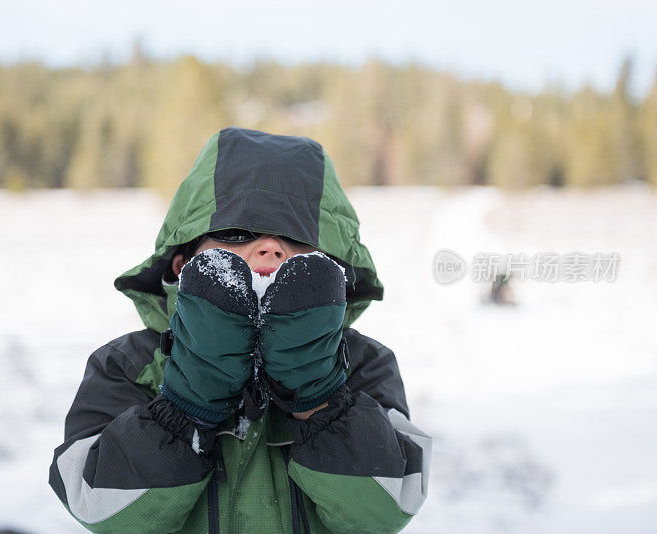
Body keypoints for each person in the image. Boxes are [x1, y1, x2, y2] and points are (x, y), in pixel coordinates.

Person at [48, 127, 431, 533]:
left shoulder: (365, 365)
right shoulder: (129, 364)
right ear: (183, 263)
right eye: (236, 233)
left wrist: (318, 394)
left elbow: (385, 511)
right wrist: (190, 397)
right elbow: (98, 507)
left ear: (335, 266)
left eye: (297, 237)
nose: (269, 247)